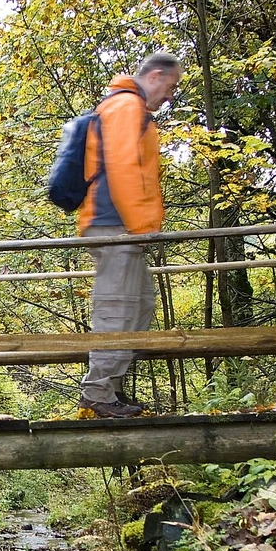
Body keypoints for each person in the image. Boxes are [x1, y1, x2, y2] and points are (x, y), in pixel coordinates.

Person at [78, 52, 182, 418]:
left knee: (140, 306)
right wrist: (141, 229)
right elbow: (122, 170)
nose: (170, 96)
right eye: (170, 87)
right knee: (117, 308)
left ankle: (109, 387)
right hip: (115, 225)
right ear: (154, 76)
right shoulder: (124, 107)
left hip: (125, 226)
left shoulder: (133, 109)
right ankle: (97, 393)